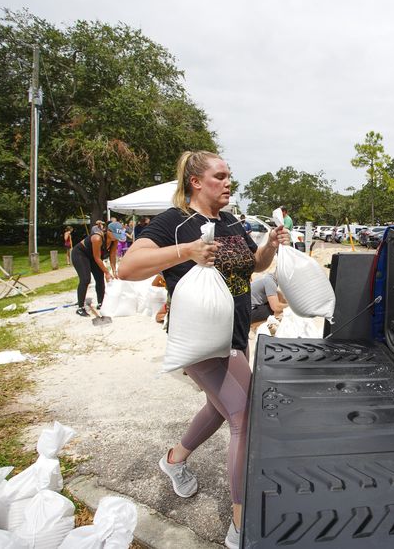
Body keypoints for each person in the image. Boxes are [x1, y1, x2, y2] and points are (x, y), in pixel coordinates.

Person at [119, 150, 289, 549]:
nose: (229, 182)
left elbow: (254, 266)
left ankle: (174, 460)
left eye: (230, 175)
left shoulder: (230, 221)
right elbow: (128, 267)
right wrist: (187, 251)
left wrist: (269, 245)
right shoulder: (175, 222)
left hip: (232, 334)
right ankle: (240, 523)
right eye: (221, 176)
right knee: (245, 413)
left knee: (220, 404)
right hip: (197, 339)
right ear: (196, 182)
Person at [70, 223, 118, 316]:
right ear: (108, 232)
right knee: (85, 279)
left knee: (100, 278)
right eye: (115, 235)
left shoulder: (114, 240)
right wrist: (107, 272)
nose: (117, 237)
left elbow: (112, 255)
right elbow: (97, 258)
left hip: (93, 256)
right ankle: (80, 308)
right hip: (81, 254)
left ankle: (101, 303)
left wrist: (114, 270)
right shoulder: (97, 238)